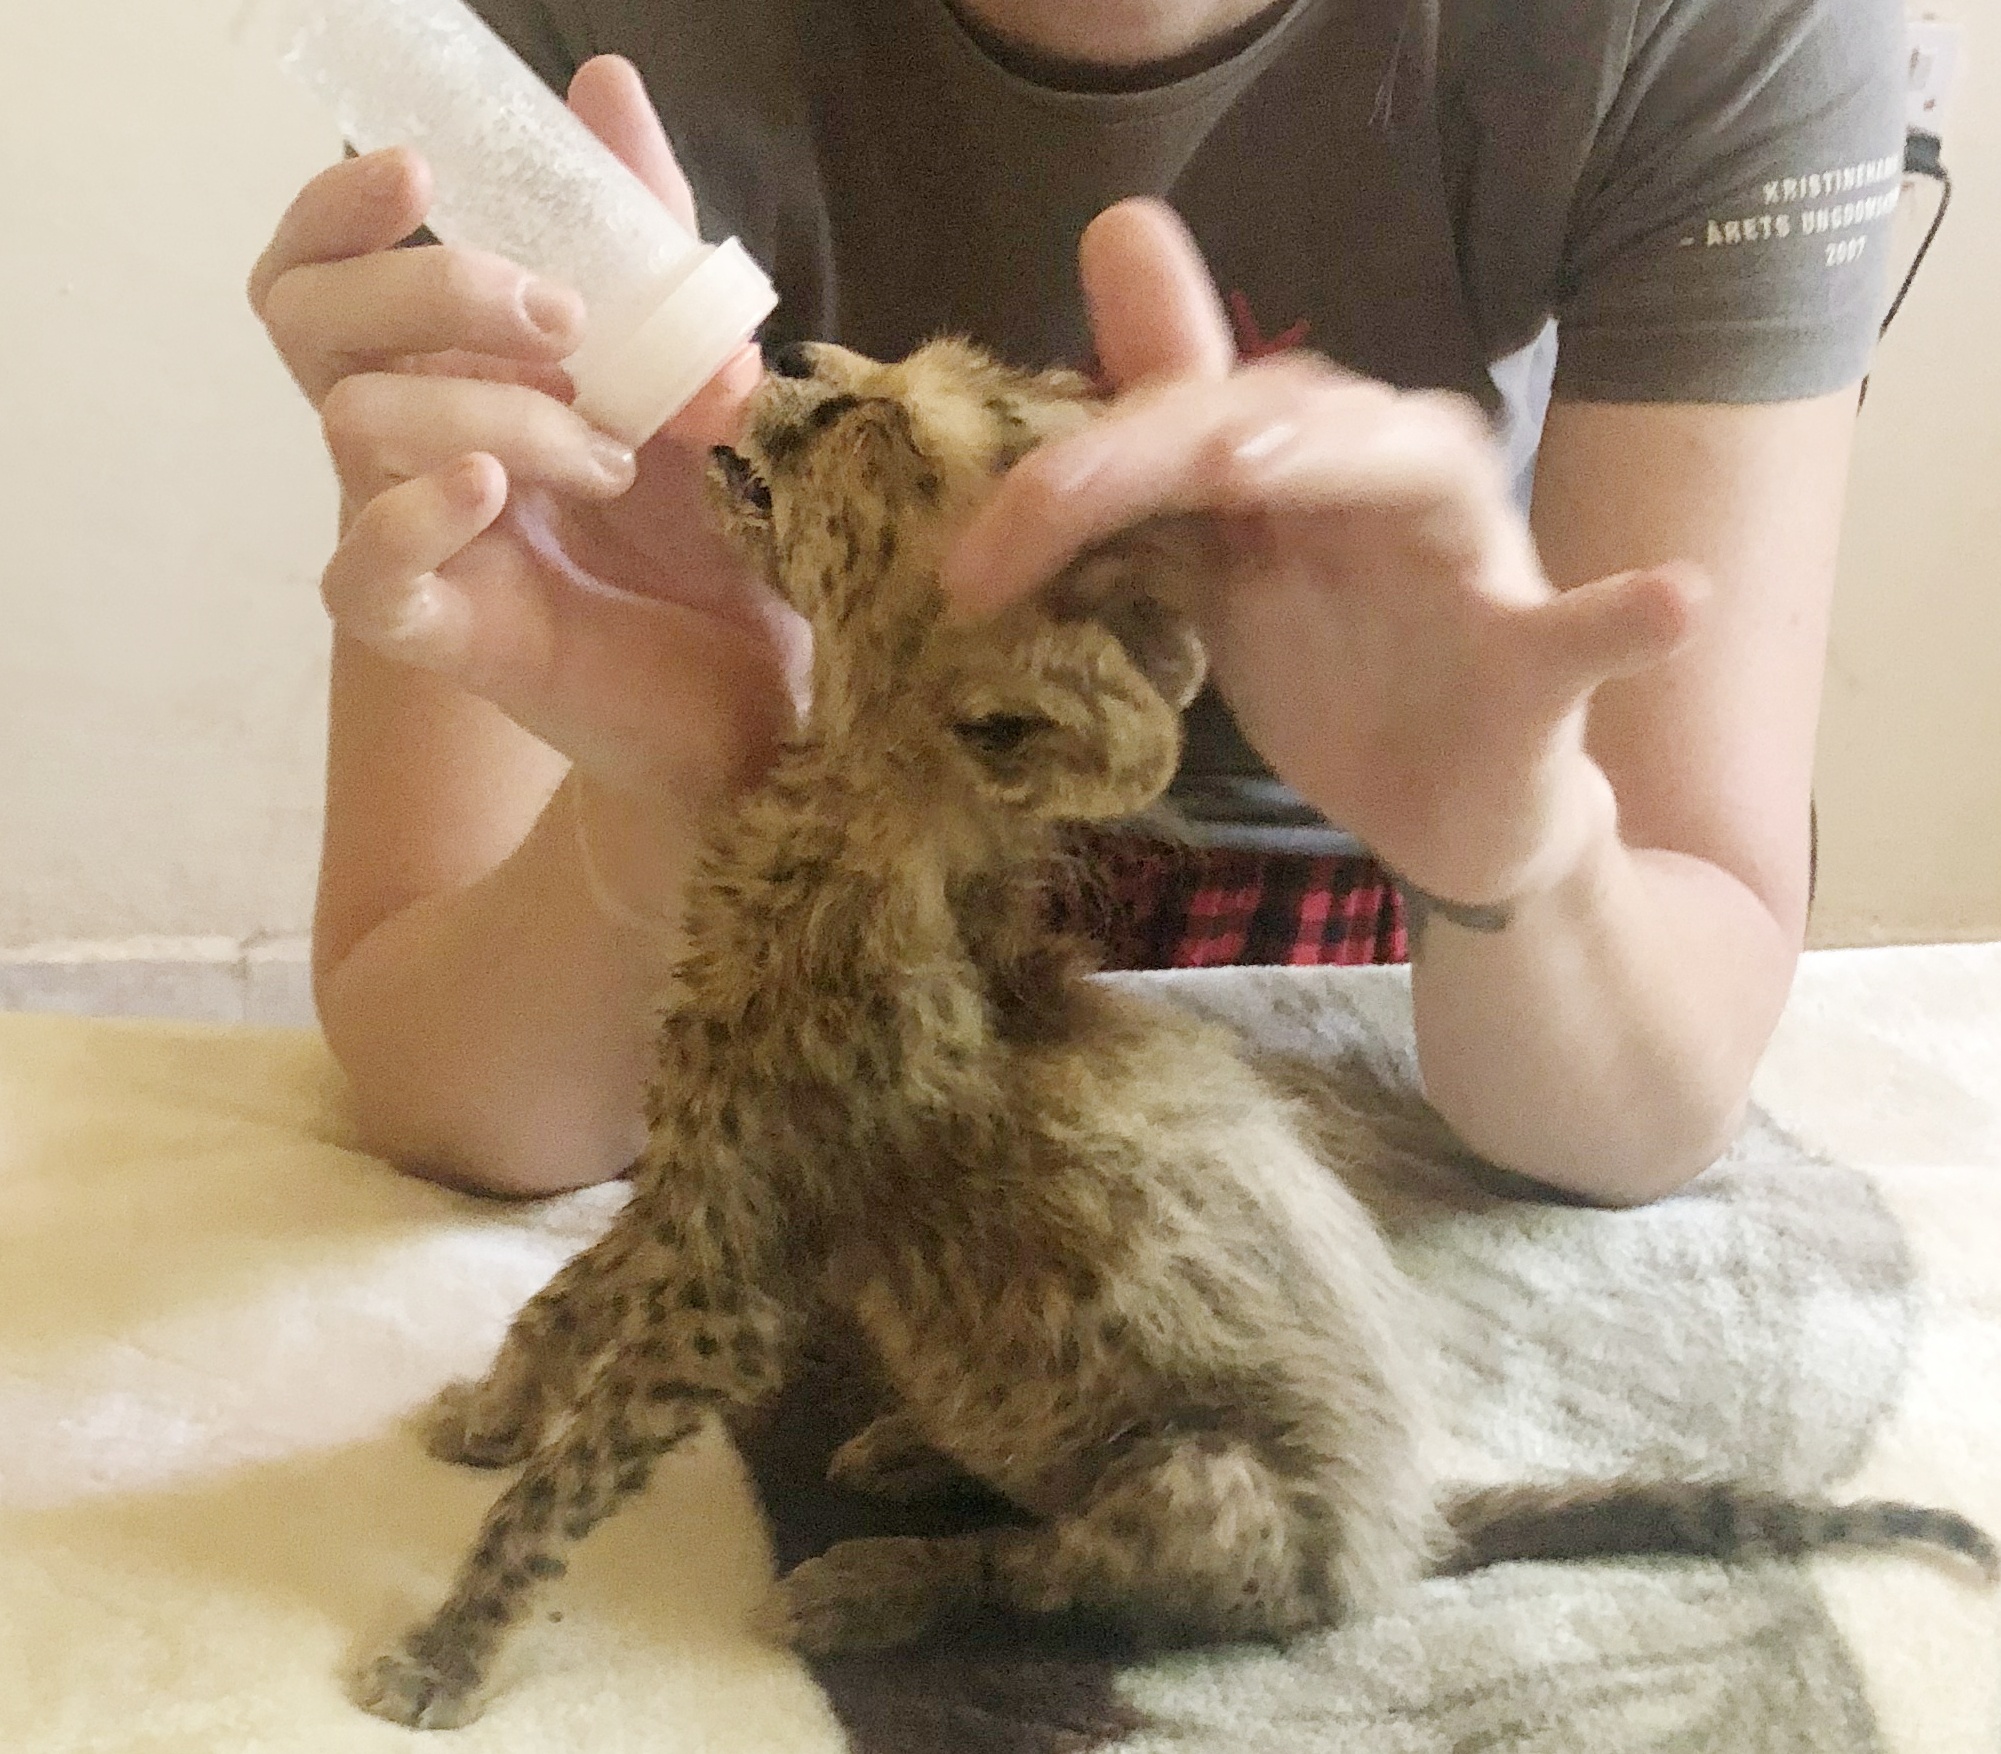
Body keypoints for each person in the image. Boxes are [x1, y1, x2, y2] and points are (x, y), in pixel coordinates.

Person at [246, 0, 1906, 1205]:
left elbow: (1650, 1094)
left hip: (1385, 941)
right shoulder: (524, 58)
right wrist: (692, 793)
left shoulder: (1719, 25)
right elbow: (457, 1091)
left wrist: (1522, 864)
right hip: (828, 898)